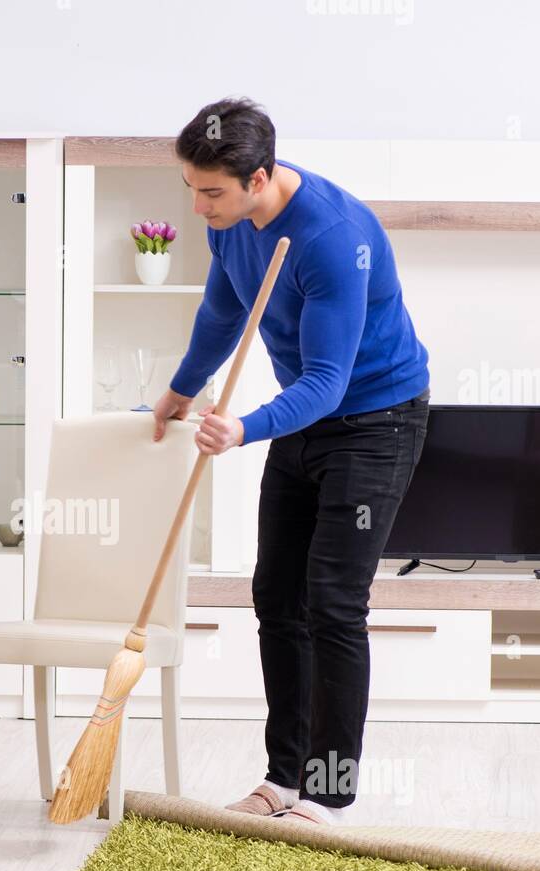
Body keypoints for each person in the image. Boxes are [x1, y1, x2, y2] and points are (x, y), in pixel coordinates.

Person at [152, 97, 431, 825]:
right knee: (275, 595)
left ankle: (328, 792)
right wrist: (182, 391)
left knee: (335, 601)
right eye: (190, 187)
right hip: (303, 418)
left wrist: (242, 427)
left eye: (211, 191)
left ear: (260, 177)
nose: (197, 204)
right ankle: (283, 776)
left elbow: (327, 380)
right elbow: (223, 313)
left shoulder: (335, 239)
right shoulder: (232, 225)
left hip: (376, 420)